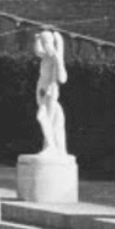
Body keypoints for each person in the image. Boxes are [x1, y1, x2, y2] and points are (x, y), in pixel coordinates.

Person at [33, 27, 68, 156]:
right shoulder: (45, 57)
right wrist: (37, 39)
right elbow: (38, 52)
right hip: (41, 89)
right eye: (43, 43)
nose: (44, 46)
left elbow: (63, 78)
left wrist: (59, 62)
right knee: (49, 119)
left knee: (42, 116)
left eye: (45, 43)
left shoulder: (55, 57)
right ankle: (49, 145)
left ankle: (51, 147)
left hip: (50, 91)